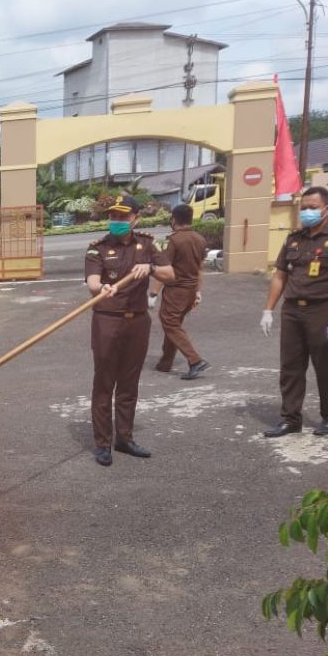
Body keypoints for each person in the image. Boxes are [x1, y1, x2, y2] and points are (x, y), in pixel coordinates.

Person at [260, 187, 328, 437]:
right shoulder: (294, 238)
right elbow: (280, 275)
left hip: (324, 310)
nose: (306, 212)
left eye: (312, 207)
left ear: (326, 209)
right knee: (290, 367)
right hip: (293, 310)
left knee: (325, 364)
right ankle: (290, 418)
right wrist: (268, 309)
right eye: (303, 207)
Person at [83, 195, 175, 466]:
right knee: (104, 382)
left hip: (137, 321)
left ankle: (124, 438)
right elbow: (92, 283)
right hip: (107, 320)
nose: (117, 221)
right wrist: (103, 288)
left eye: (123, 217)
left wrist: (151, 268)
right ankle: (102, 444)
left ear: (136, 218)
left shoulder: (148, 244)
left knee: (129, 382)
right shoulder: (97, 248)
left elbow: (170, 274)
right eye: (113, 216)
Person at [154, 204, 210, 380]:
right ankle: (165, 362)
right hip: (191, 289)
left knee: (170, 323)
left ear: (174, 220)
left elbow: (163, 269)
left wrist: (153, 294)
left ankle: (195, 360)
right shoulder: (200, 239)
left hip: (176, 290)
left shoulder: (172, 241)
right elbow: (200, 269)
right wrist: (198, 292)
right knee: (174, 323)